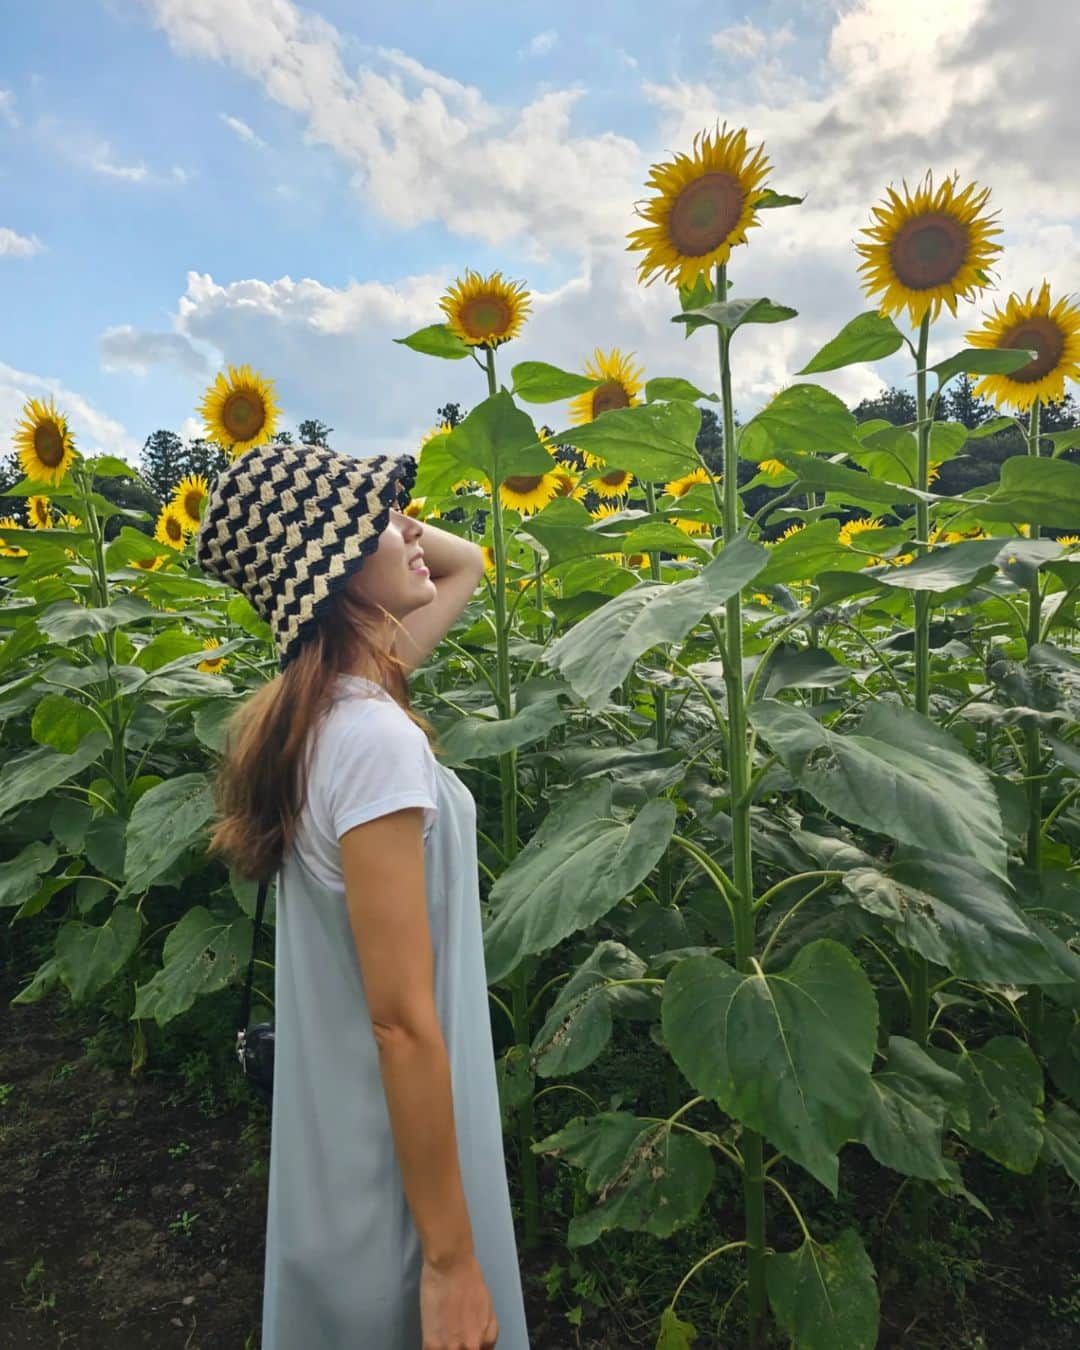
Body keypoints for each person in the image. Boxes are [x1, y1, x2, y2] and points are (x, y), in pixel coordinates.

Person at [193, 440, 530, 1349]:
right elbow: (401, 1022)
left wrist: (376, 525)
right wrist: (453, 1262)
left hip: (343, 1118)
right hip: (399, 1155)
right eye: (383, 517)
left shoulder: (326, 708)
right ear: (335, 566)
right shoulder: (373, 736)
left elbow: (467, 563)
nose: (411, 528)